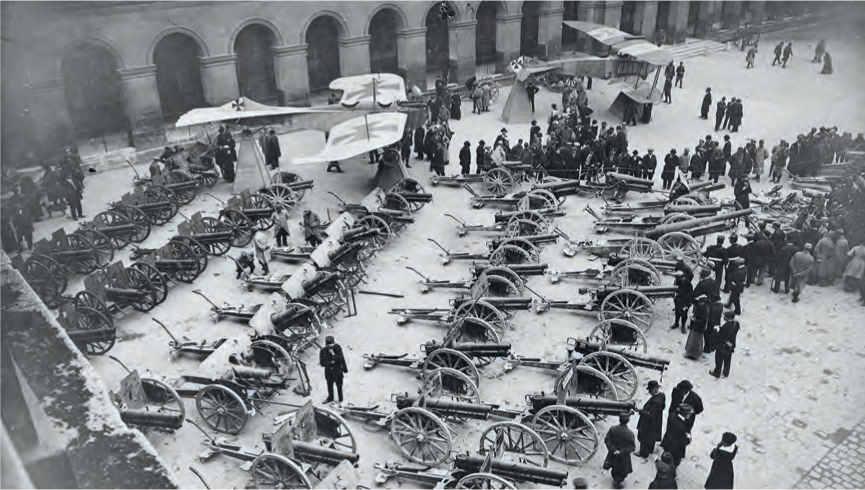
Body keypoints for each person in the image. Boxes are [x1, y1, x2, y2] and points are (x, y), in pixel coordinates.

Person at [603, 412, 636, 489]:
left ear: (619, 419)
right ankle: (618, 480)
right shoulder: (630, 433)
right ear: (628, 421)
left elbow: (607, 440)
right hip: (623, 456)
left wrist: (613, 449)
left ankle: (615, 478)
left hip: (613, 454)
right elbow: (632, 447)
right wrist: (621, 451)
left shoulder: (613, 429)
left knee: (614, 466)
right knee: (623, 469)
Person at [637, 380, 666, 458]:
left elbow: (650, 415)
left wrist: (641, 411)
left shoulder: (655, 402)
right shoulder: (662, 395)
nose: (649, 392)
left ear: (655, 389)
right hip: (657, 421)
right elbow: (663, 407)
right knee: (652, 437)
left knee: (645, 437)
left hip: (649, 423)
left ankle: (643, 453)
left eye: (650, 390)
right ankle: (650, 449)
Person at [710, 310, 740, 378]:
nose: (724, 317)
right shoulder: (736, 324)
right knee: (727, 359)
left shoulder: (726, 327)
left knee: (719, 359)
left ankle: (717, 373)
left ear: (729, 318)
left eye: (725, 316)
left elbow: (721, 337)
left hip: (722, 346)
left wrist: (716, 331)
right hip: (731, 345)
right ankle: (726, 372)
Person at [319, 336, 348, 403]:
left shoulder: (337, 348)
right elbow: (322, 363)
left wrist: (345, 369)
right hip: (329, 372)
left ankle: (340, 399)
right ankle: (330, 397)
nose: (331, 347)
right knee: (329, 385)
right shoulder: (323, 351)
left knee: (339, 385)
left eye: (332, 345)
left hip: (337, 371)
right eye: (329, 346)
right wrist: (331, 363)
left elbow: (341, 358)